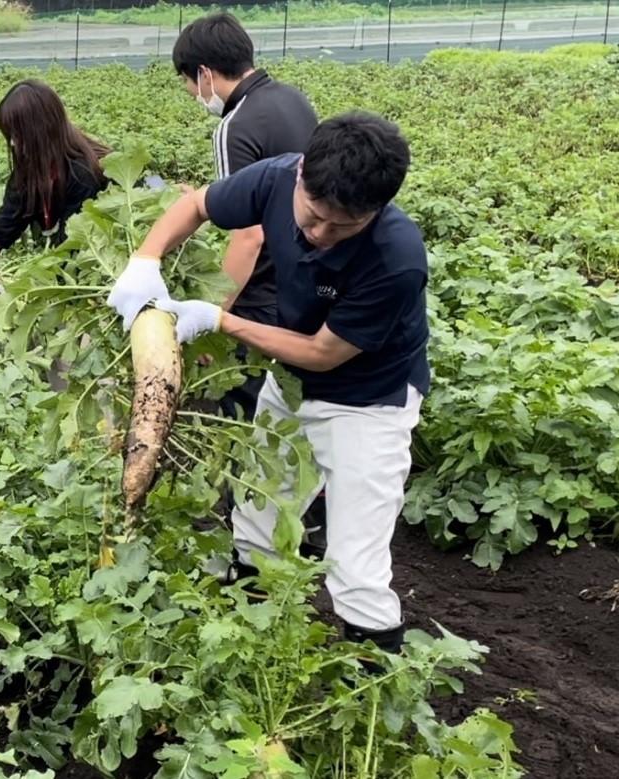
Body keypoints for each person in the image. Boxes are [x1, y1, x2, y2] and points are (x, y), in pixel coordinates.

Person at [106, 112, 429, 654]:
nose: (321, 234)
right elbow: (196, 204)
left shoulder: (396, 258)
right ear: (301, 173)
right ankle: (247, 626)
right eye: (314, 216)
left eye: (342, 227)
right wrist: (146, 258)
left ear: (375, 211)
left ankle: (374, 676)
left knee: (355, 562)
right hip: (289, 380)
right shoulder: (276, 177)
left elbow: (323, 354)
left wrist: (221, 319)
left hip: (368, 403)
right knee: (257, 510)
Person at [174, 11, 326, 552]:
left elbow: (248, 235)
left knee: (248, 414)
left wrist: (215, 312)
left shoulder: (235, 126)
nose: (197, 94)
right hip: (311, 279)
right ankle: (307, 513)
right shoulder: (294, 99)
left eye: (192, 83)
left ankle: (257, 534)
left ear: (206, 74)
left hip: (264, 291)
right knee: (298, 406)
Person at [0, 80, 110, 309]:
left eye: (17, 134)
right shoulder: (30, 167)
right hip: (65, 272)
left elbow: (73, 246)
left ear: (40, 132)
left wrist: (29, 283)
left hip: (96, 274)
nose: (13, 142)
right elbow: (8, 219)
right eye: (10, 134)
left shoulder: (84, 174)